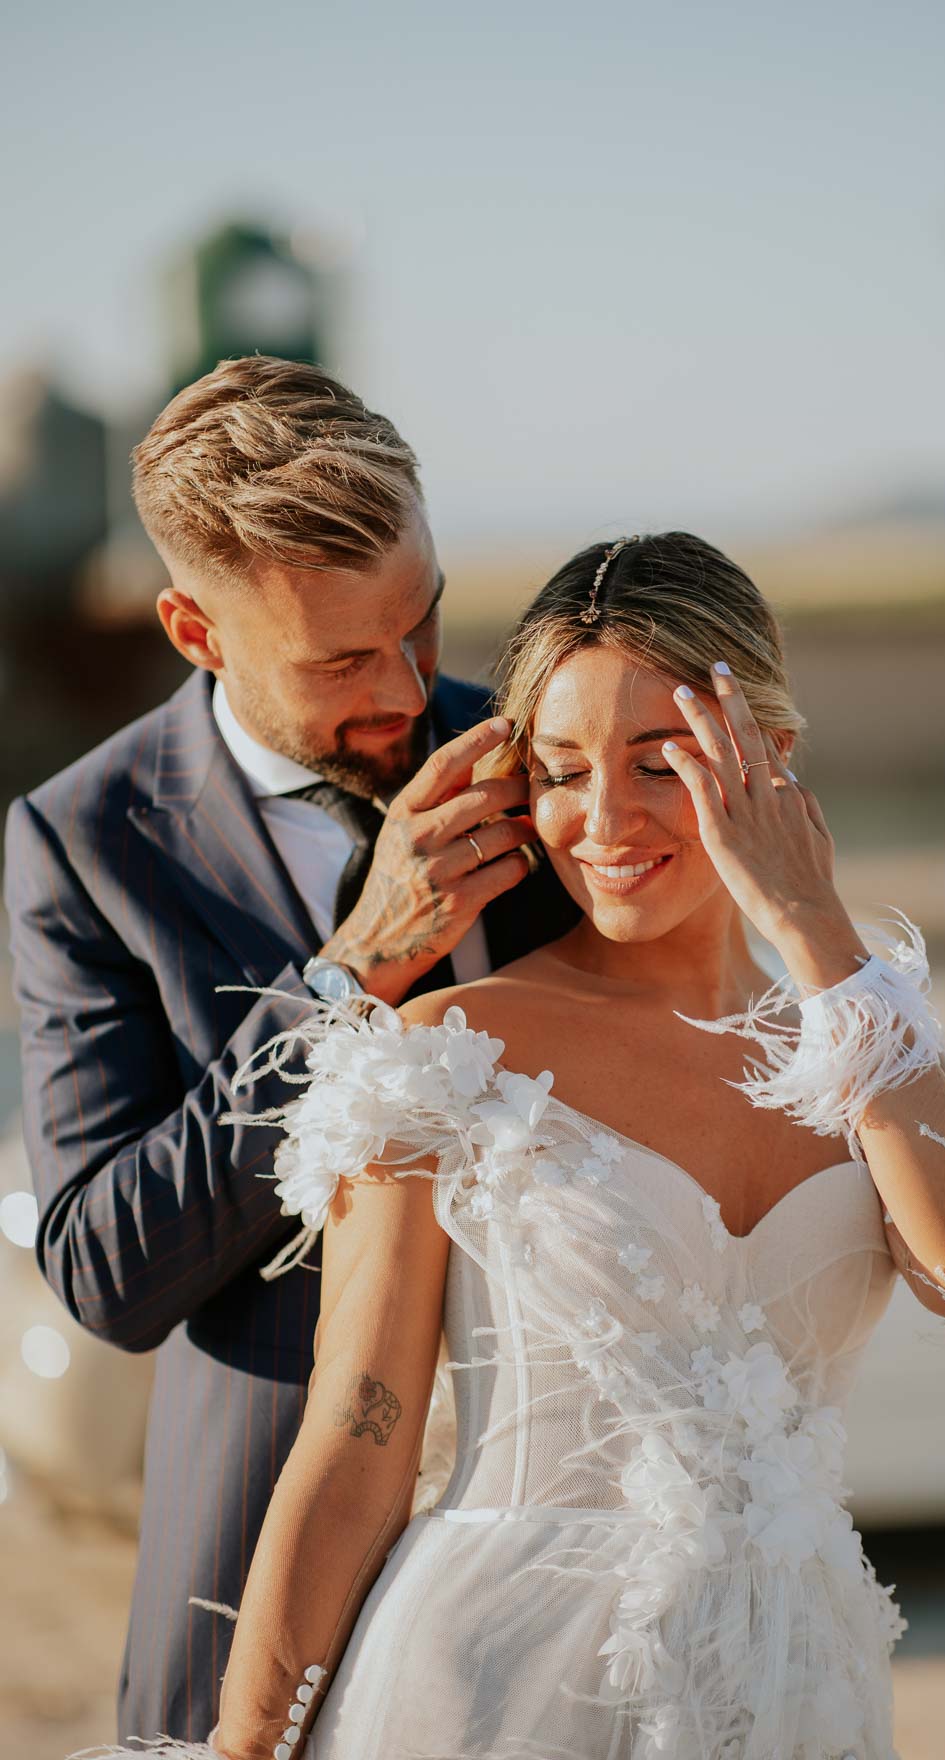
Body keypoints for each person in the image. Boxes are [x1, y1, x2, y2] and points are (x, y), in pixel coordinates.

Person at [74, 532, 945, 1760]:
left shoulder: (861, 1030)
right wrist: (248, 1745)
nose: (603, 819)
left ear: (767, 758)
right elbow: (361, 1431)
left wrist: (811, 926)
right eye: (563, 768)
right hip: (489, 1683)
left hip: (796, 1690)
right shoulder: (450, 1044)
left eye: (659, 762)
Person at [4, 355, 580, 1746]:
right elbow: (106, 1270)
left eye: (421, 621)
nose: (407, 688)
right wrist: (346, 978)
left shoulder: (547, 764)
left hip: (572, 1528)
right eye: (337, 661)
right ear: (194, 630)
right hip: (254, 1550)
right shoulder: (84, 847)